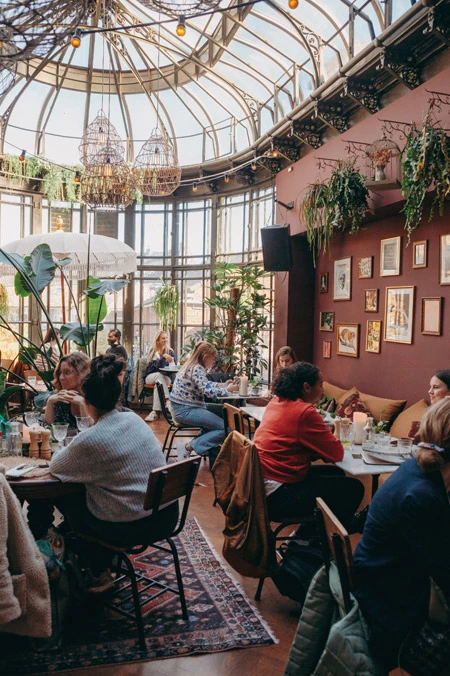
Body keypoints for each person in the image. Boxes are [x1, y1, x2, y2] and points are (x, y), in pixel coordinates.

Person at [49, 354, 177, 590]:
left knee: (66, 493)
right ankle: (95, 560)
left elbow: (55, 467)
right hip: (166, 516)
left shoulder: (92, 439)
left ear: (86, 401)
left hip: (131, 526)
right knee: (93, 487)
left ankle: (87, 561)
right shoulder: (134, 419)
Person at [352, 398, 450, 674]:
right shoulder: (421, 497)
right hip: (390, 613)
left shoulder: (415, 470)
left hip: (378, 586)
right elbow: (445, 575)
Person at [253, 361, 364, 528]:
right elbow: (336, 453)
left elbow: (291, 443)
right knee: (354, 488)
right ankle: (317, 540)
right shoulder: (304, 412)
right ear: (306, 387)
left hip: (260, 485)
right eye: (320, 385)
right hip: (279, 495)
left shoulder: (276, 401)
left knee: (336, 472)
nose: (322, 390)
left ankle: (311, 539)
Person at [170, 341, 239, 460]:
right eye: (213, 358)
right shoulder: (197, 368)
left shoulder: (191, 366)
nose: (214, 361)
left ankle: (206, 444)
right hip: (185, 411)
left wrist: (222, 386)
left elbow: (205, 384)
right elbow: (207, 391)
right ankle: (188, 447)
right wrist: (228, 390)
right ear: (205, 357)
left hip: (183, 407)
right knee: (226, 429)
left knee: (223, 410)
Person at [44, 352, 91, 429]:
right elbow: (50, 428)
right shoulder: (61, 399)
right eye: (60, 373)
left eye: (67, 372)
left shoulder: (94, 398)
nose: (61, 377)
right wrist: (50, 402)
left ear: (82, 373)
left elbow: (94, 431)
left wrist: (82, 403)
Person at [144, 331, 176, 422]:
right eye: (163, 338)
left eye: (166, 338)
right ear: (158, 340)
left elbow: (173, 370)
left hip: (165, 379)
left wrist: (171, 361)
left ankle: (154, 412)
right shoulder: (153, 351)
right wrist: (163, 357)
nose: (165, 340)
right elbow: (157, 367)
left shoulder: (170, 351)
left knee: (158, 385)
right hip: (150, 376)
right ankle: (167, 400)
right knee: (158, 375)